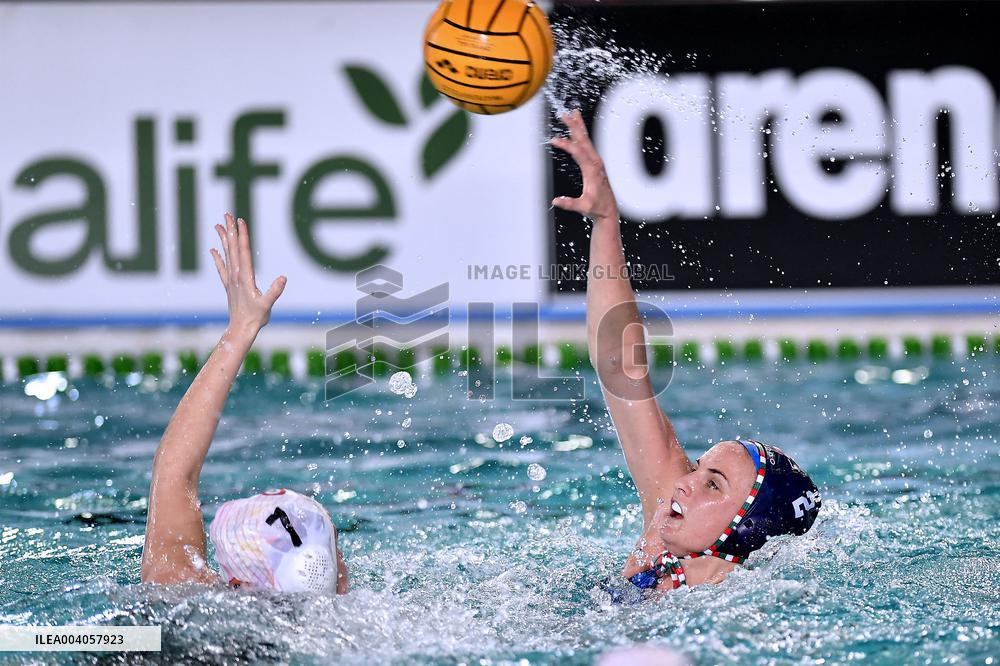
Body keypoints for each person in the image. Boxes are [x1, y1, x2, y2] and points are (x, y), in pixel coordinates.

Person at [550, 111, 821, 598]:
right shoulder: (668, 525)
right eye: (699, 469)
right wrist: (605, 219)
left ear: (743, 532)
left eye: (712, 486)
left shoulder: (733, 595)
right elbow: (619, 364)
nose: (682, 484)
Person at [140, 213, 348, 594]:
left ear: (233, 583)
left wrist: (241, 328)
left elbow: (173, 473)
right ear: (342, 581)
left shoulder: (187, 609)